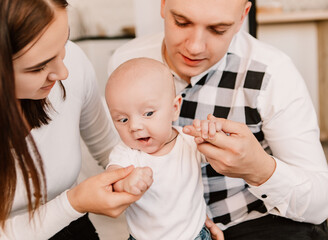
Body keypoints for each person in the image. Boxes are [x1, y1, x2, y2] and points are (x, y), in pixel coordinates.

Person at [107, 0, 328, 239]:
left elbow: (319, 205)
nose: (195, 47)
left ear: (243, 16)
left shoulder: (272, 72)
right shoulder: (126, 62)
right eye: (182, 22)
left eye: (217, 30)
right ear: (163, 5)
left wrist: (260, 170)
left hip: (256, 220)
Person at [0, 0, 143, 239]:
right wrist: (72, 204)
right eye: (38, 68)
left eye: (64, 44)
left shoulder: (73, 62)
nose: (63, 73)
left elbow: (109, 149)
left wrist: (178, 209)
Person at [105, 57, 225, 240]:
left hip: (194, 235)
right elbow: (111, 182)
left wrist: (214, 133)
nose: (135, 126)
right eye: (123, 119)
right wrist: (125, 183)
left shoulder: (189, 141)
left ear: (174, 108)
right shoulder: (126, 153)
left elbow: (222, 154)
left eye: (148, 113)